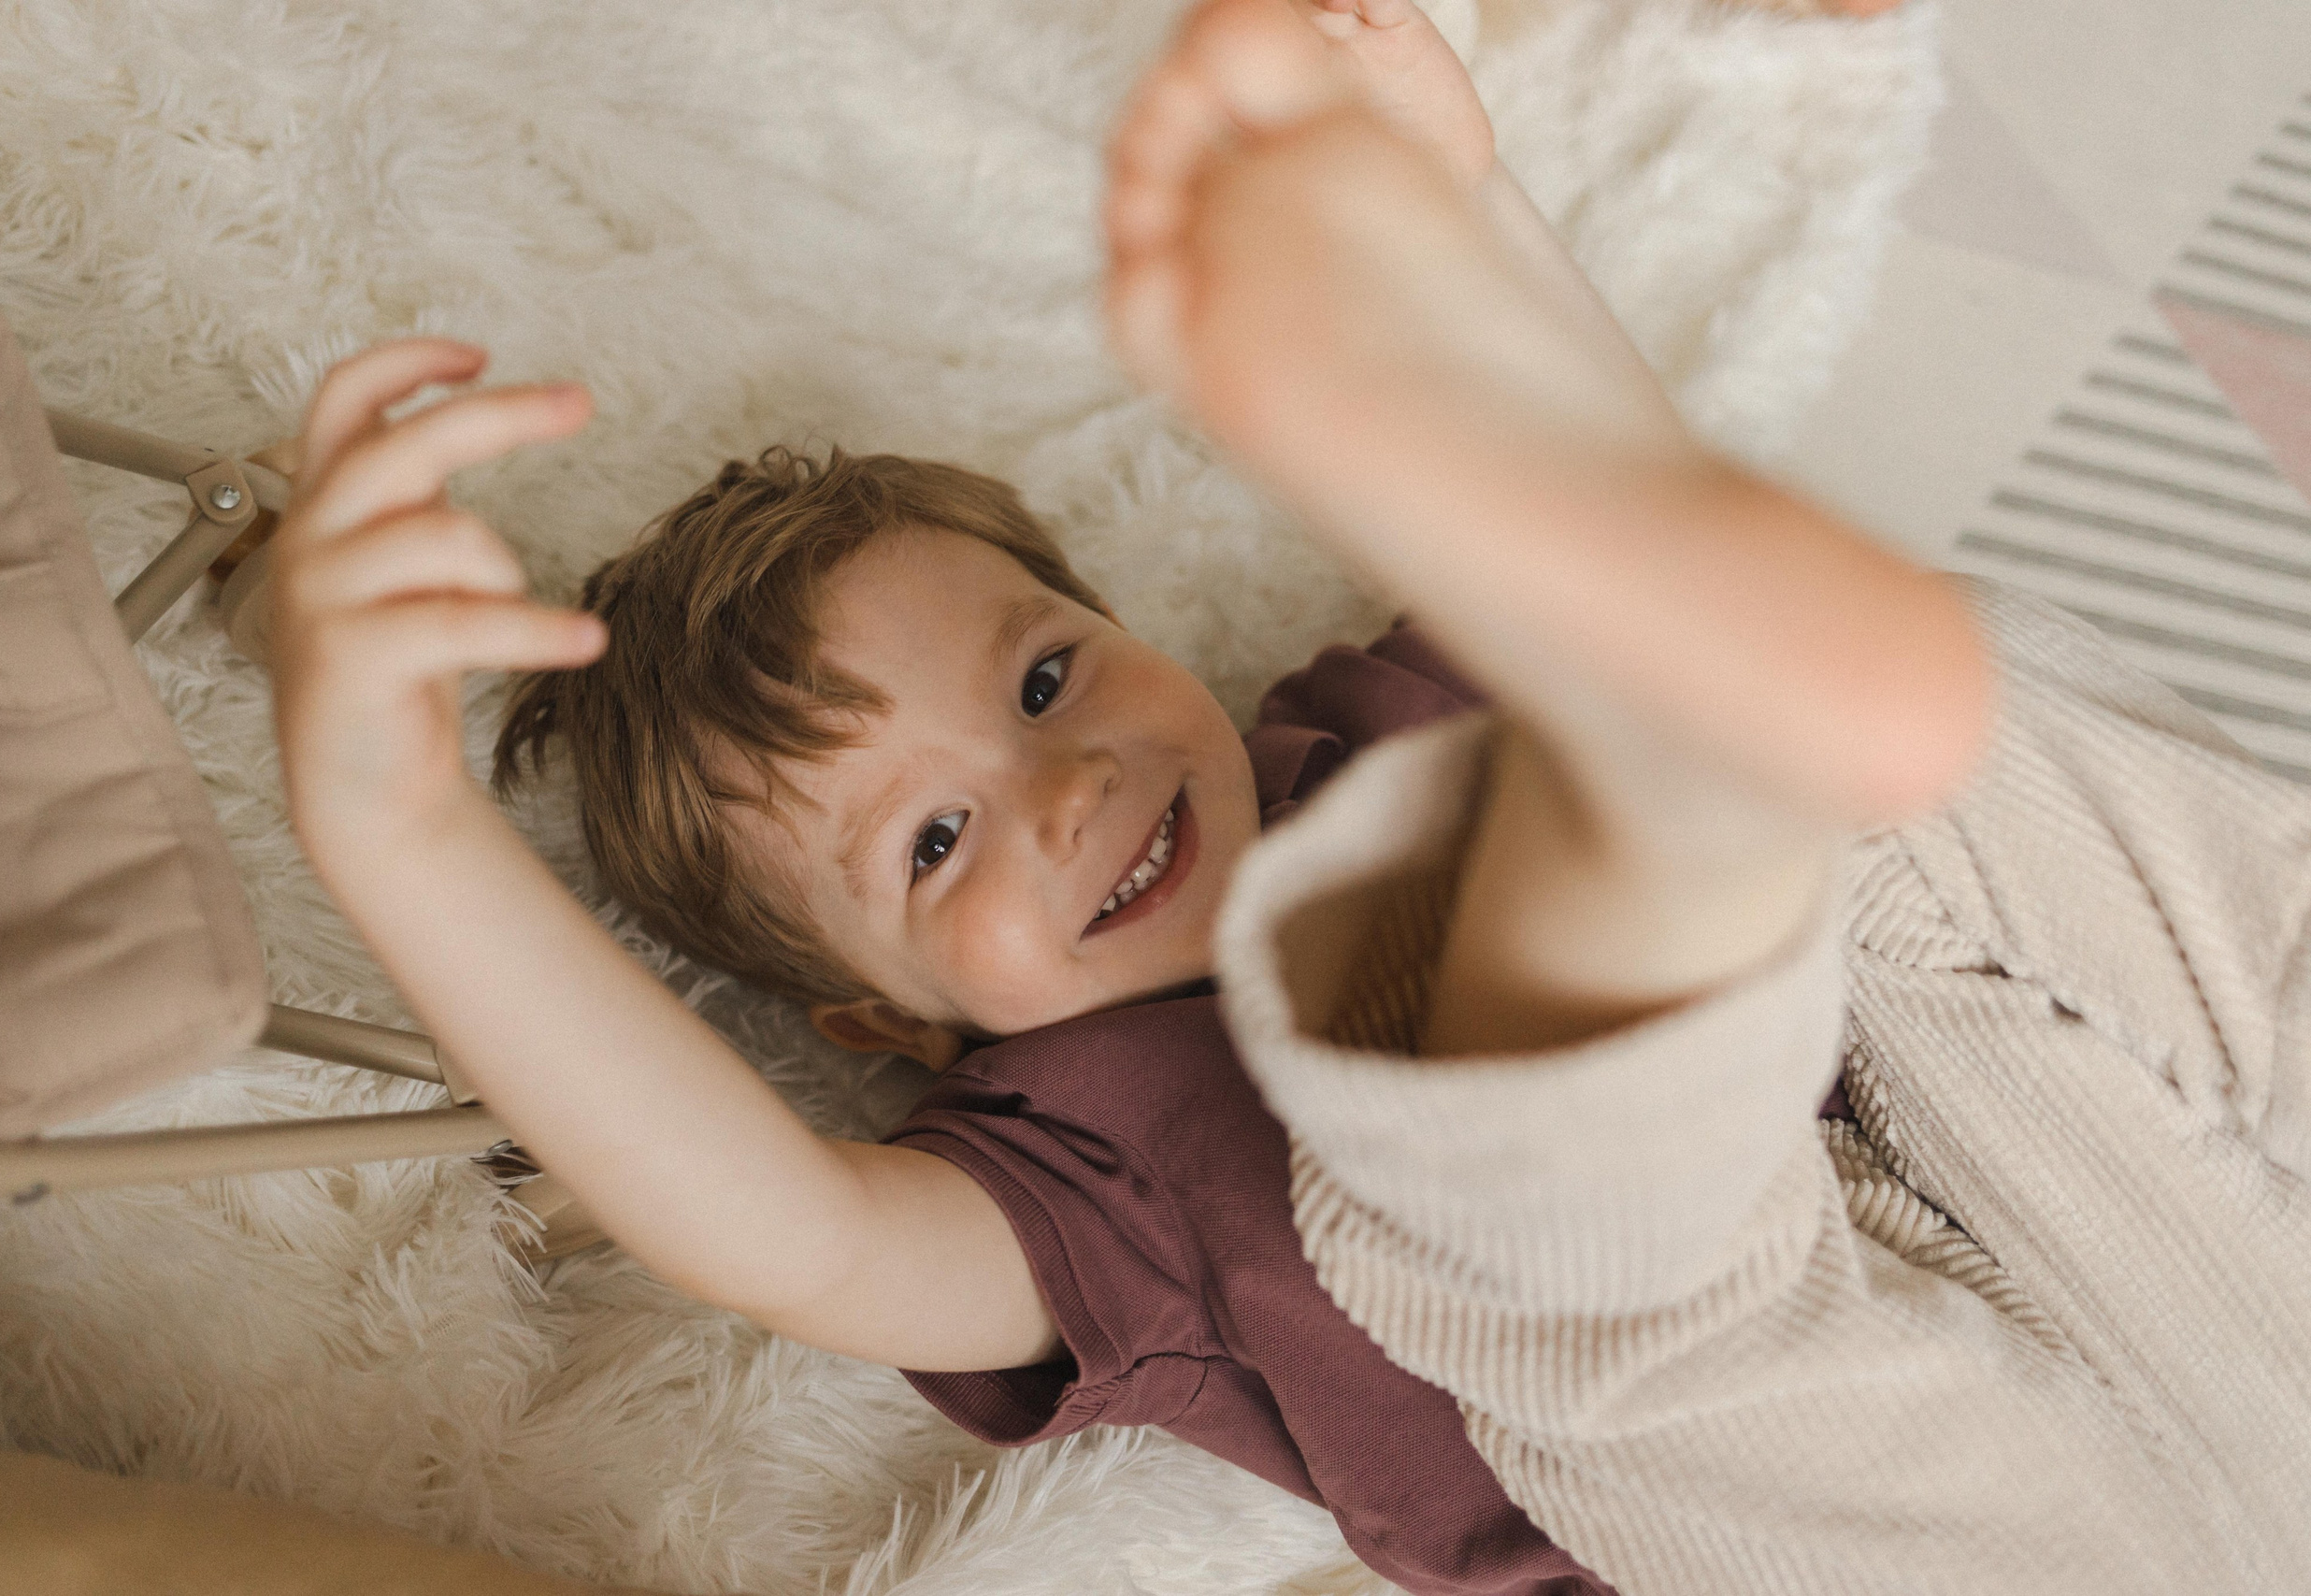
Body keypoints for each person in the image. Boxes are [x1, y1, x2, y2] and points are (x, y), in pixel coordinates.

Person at [262, 0, 2311, 1590]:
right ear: (878, 1019)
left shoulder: (1363, 717)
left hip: (2185, 1221)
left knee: (1911, 767)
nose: (1060, 780)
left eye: (1047, 672)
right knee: (1540, 1171)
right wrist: (393, 816)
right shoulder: (1080, 1170)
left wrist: (1451, 188)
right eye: (935, 840)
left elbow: (1600, 478)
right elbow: (774, 1227)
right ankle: (1667, 844)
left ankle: (1716, 778)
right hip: (1917, 1510)